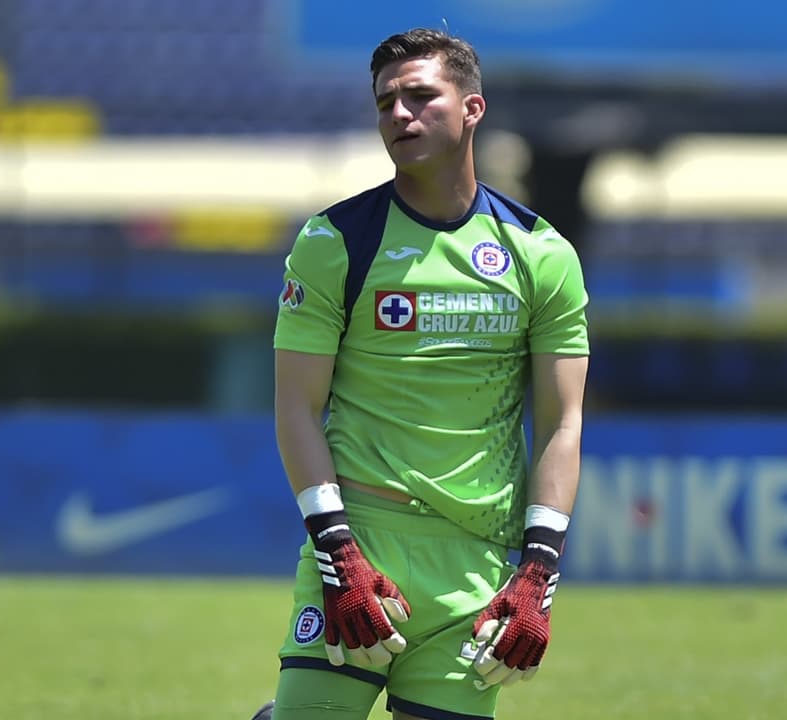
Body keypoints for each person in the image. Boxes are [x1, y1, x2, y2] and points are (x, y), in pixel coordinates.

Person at [267, 27, 590, 720]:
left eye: (419, 96)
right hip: (362, 545)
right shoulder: (334, 242)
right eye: (386, 102)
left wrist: (538, 571)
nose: (399, 114)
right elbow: (295, 408)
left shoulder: (541, 254)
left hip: (478, 566)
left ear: (473, 108)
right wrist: (338, 554)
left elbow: (563, 423)